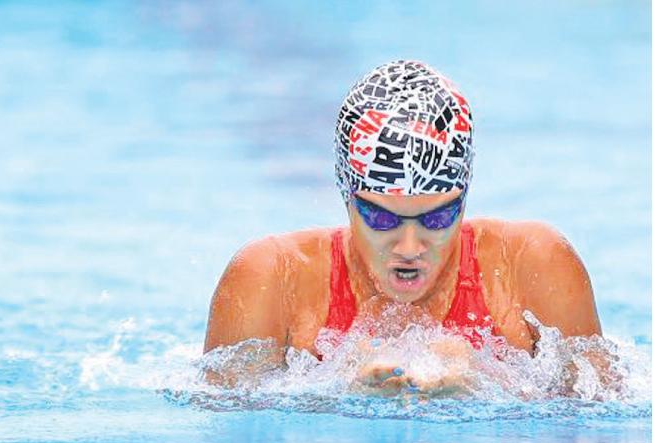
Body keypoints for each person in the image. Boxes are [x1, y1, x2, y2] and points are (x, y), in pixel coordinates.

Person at [202, 60, 602, 393]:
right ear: (347, 197)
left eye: (437, 218)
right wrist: (337, 388)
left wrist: (483, 382)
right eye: (382, 218)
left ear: (464, 199)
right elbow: (220, 424)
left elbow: (604, 416)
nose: (410, 246)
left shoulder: (531, 266)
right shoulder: (273, 277)